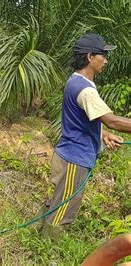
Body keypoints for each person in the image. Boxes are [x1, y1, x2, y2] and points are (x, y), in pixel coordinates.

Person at [41, 33, 131, 240]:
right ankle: (49, 250)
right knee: (63, 209)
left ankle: (39, 239)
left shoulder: (75, 81)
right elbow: (113, 120)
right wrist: (109, 128)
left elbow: (82, 120)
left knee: (57, 202)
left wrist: (104, 134)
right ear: (90, 57)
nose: (106, 60)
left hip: (69, 155)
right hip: (74, 158)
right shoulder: (85, 90)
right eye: (103, 55)